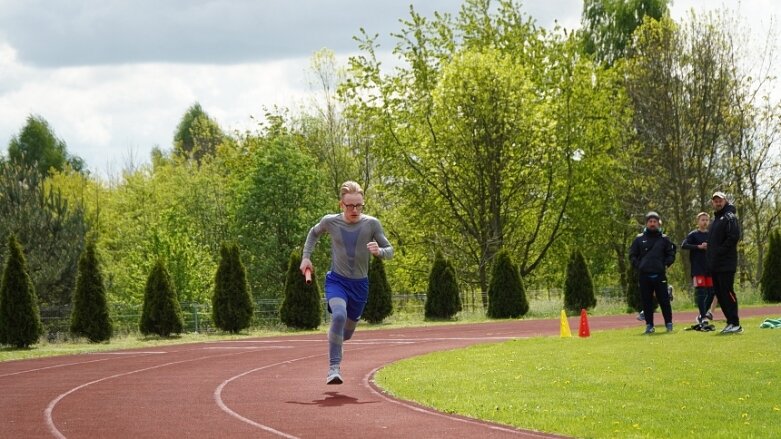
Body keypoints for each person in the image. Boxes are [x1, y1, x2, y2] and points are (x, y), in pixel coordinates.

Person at [300, 181, 394, 384]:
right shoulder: (330, 221)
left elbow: (390, 250)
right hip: (337, 281)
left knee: (347, 334)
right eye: (350, 205)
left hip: (360, 286)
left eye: (359, 205)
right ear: (341, 205)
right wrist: (306, 257)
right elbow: (313, 233)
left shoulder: (371, 224)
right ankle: (334, 368)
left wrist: (380, 252)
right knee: (339, 315)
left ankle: (335, 338)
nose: (355, 210)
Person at [629, 211, 677, 334]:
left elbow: (671, 254)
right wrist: (639, 266)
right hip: (644, 275)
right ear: (646, 223)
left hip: (659, 274)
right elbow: (632, 255)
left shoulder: (664, 239)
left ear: (659, 223)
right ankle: (649, 326)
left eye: (655, 221)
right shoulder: (639, 239)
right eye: (650, 221)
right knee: (646, 302)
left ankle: (669, 324)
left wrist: (665, 264)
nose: (652, 224)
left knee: (664, 301)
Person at [707, 191, 742, 334]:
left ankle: (735, 323)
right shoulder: (715, 220)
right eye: (715, 200)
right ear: (712, 203)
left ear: (725, 201)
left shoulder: (729, 217)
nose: (718, 202)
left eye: (720, 200)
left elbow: (733, 237)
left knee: (727, 292)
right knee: (720, 294)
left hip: (726, 263)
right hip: (715, 265)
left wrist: (720, 251)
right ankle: (730, 322)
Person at [681, 212, 715, 331]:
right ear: (698, 221)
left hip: (710, 268)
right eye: (702, 220)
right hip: (698, 268)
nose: (705, 222)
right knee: (701, 293)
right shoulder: (693, 235)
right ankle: (704, 317)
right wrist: (698, 247)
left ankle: (702, 315)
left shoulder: (711, 234)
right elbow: (684, 245)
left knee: (711, 292)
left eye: (706, 220)